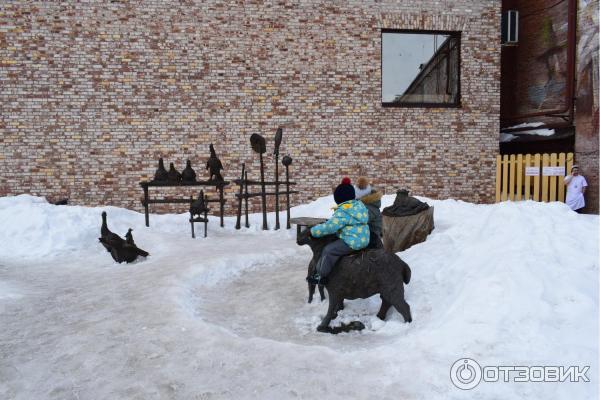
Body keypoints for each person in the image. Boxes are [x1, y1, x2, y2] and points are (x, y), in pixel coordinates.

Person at [307, 177, 370, 285]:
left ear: (339, 198)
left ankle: (321, 275)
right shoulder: (358, 206)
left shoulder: (343, 210)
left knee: (329, 250)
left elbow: (330, 227)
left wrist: (313, 232)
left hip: (352, 241)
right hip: (363, 238)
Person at [354, 177, 383, 249]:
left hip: (372, 240)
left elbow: (357, 221)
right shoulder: (363, 204)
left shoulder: (370, 208)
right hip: (364, 235)